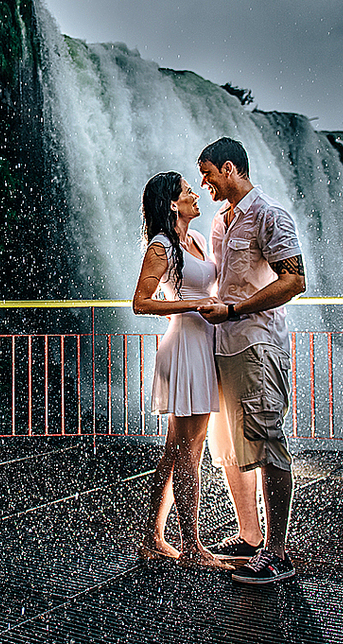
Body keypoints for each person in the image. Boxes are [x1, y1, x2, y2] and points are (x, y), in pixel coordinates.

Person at [197, 137, 307, 585]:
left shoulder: (269, 215)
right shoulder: (222, 222)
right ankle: (249, 535)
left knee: (267, 441)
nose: (204, 183)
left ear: (229, 168)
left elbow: (295, 279)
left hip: (257, 343)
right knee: (228, 449)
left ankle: (277, 553)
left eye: (208, 174)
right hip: (223, 344)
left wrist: (235, 310)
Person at [131, 171, 221, 566]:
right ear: (172, 203)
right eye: (187, 191)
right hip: (184, 345)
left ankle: (152, 538)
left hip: (201, 344)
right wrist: (189, 305)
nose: (195, 194)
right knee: (191, 450)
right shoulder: (161, 246)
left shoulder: (197, 241)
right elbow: (141, 302)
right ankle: (192, 547)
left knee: (174, 453)